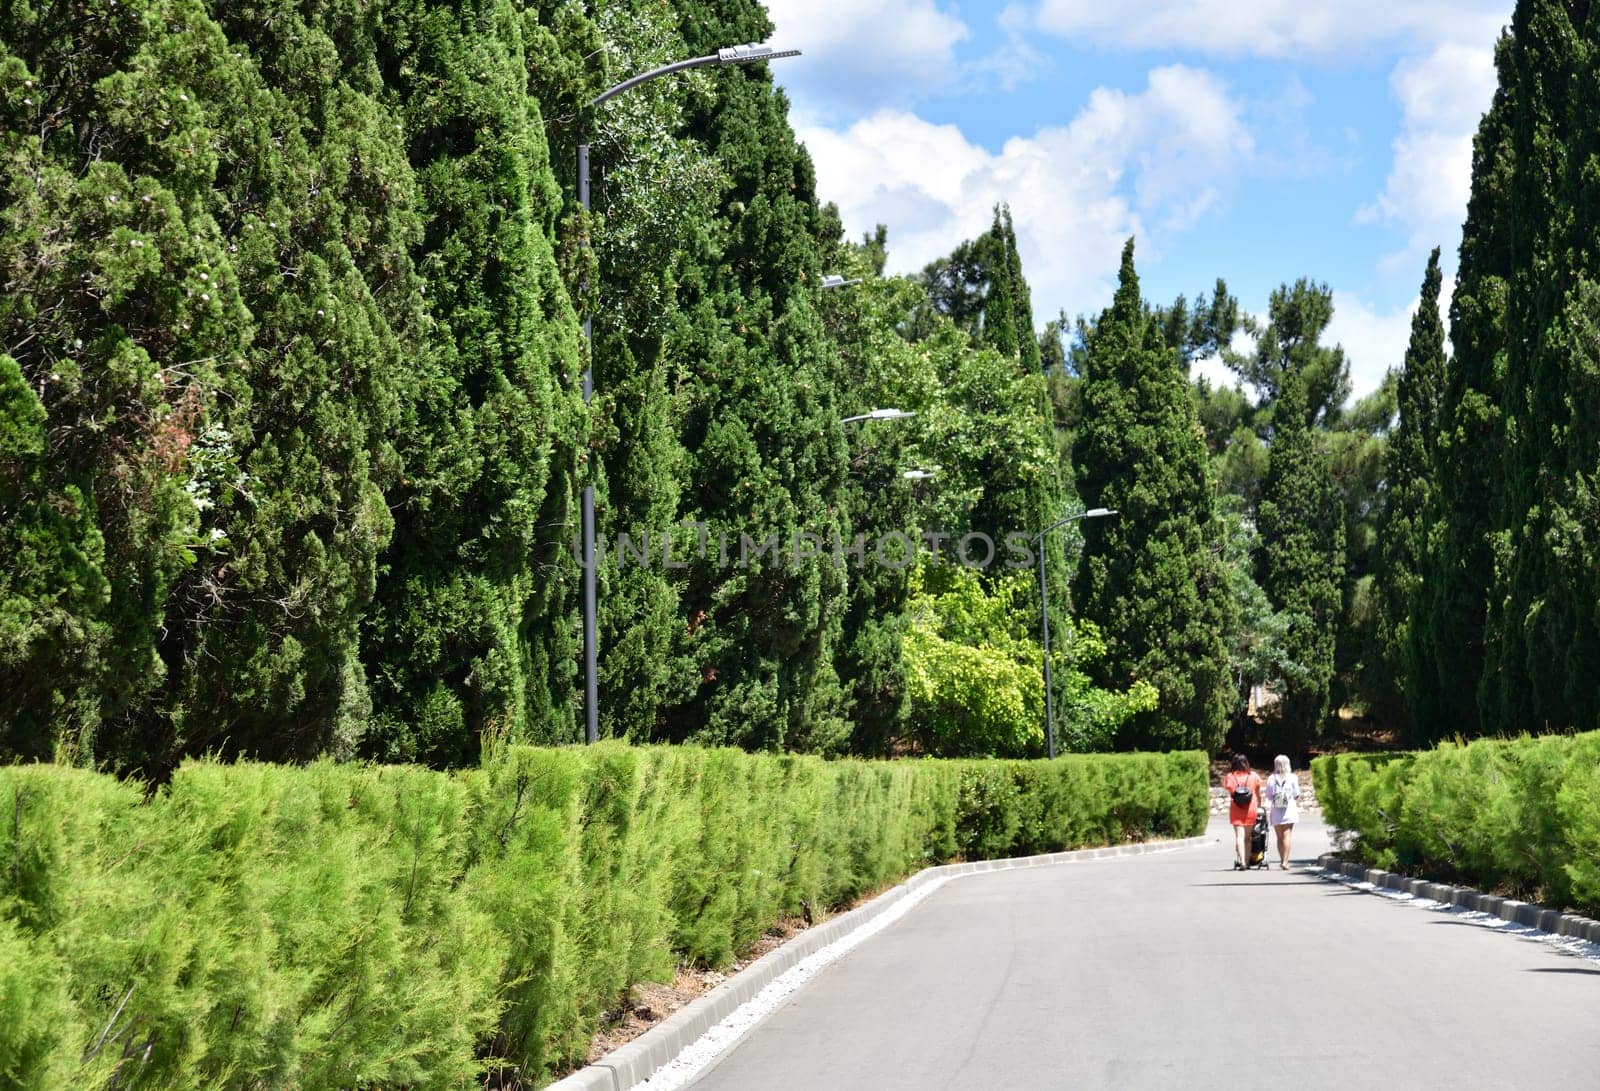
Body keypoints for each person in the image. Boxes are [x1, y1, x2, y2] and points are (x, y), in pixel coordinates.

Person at [1223, 753, 1262, 871]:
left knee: (1239, 837)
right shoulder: (1253, 776)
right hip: (1251, 808)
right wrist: (1259, 805)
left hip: (1236, 808)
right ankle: (1247, 861)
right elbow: (1258, 793)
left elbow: (1230, 791)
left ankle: (1242, 862)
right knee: (1248, 837)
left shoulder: (1230, 777)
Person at [1264, 754, 1300, 870]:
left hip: (1276, 809)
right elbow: (1296, 794)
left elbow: (1269, 795)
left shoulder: (1271, 778)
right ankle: (1285, 861)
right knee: (1287, 835)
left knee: (1279, 837)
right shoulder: (1292, 777)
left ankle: (1282, 859)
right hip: (1289, 808)